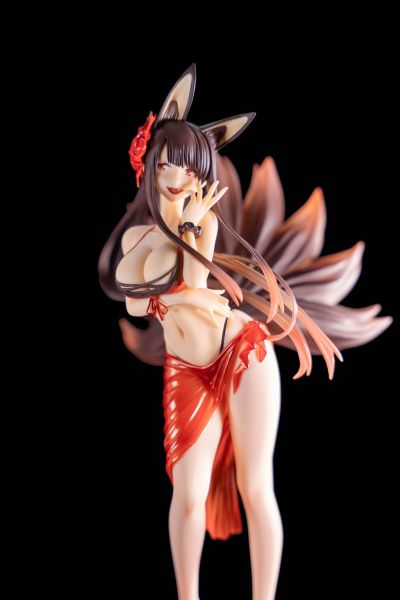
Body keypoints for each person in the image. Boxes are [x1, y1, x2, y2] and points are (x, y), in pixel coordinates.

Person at [98, 64, 392, 600]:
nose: (176, 176)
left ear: (201, 173)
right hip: (187, 369)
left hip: (241, 351)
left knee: (256, 486)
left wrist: (190, 238)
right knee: (187, 494)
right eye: (166, 163)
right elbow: (134, 301)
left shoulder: (204, 222)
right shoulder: (139, 237)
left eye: (188, 167)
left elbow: (188, 284)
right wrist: (185, 293)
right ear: (149, 165)